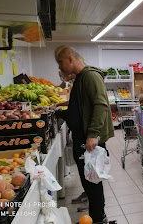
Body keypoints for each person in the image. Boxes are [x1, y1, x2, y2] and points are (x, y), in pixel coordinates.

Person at [55, 46, 114, 222]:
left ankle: (98, 218)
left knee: (93, 183)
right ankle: (97, 216)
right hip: (83, 138)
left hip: (90, 140)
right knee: (88, 182)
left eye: (60, 62)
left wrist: (93, 134)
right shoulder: (81, 78)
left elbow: (101, 105)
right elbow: (80, 108)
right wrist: (60, 111)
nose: (59, 67)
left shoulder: (90, 76)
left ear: (70, 59)